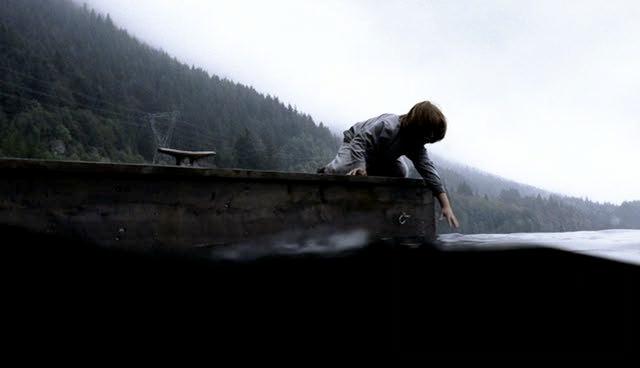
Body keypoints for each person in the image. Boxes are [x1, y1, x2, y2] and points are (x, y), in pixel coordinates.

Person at [317, 101, 460, 228]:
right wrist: (359, 167)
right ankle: (327, 171)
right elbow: (360, 142)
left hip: (383, 156)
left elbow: (429, 171)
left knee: (401, 171)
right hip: (356, 144)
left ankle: (368, 169)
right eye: (426, 137)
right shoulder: (389, 125)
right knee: (341, 170)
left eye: (429, 141)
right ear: (417, 127)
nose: (426, 142)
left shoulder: (416, 145)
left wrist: (445, 205)